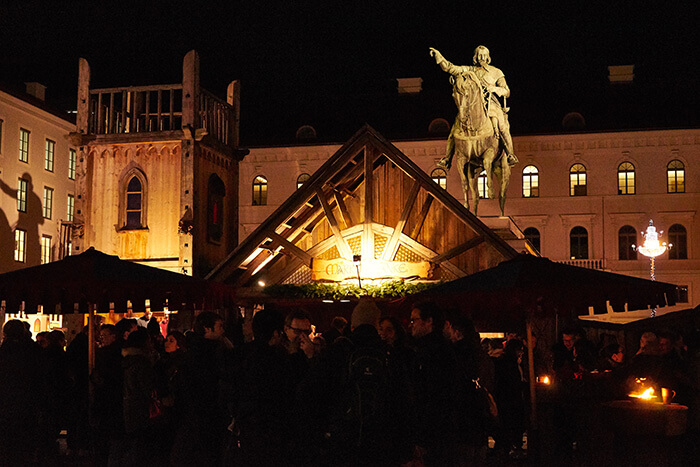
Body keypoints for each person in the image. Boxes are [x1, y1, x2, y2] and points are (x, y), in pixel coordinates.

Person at [429, 45, 518, 168]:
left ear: (488, 57)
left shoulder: (496, 72)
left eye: (484, 55)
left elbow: (506, 91)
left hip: (490, 103)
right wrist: (440, 58)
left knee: (502, 125)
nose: (482, 58)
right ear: (475, 57)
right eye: (479, 55)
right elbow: (452, 69)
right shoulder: (470, 70)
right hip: (471, 105)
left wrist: (495, 88)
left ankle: (510, 154)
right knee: (455, 127)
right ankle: (447, 158)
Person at [409, 301, 457, 466]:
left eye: (414, 320)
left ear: (429, 321)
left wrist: (421, 435)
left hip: (433, 431)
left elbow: (431, 394)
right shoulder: (437, 348)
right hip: (440, 430)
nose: (412, 325)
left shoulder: (432, 351)